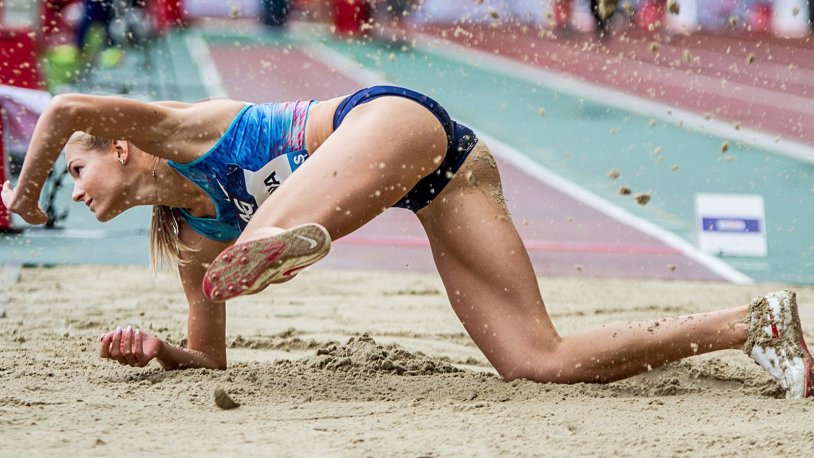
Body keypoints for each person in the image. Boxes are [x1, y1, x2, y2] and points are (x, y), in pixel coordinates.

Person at [2, 85, 812, 398]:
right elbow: (210, 359)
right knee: (538, 361)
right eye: (63, 184)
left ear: (120, 148)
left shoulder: (177, 131)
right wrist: (161, 352)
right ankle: (753, 323)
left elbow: (65, 109)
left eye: (75, 173)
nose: (75, 190)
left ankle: (288, 238)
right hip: (449, 176)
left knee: (257, 242)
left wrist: (23, 194)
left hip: (390, 122)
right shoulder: (192, 242)